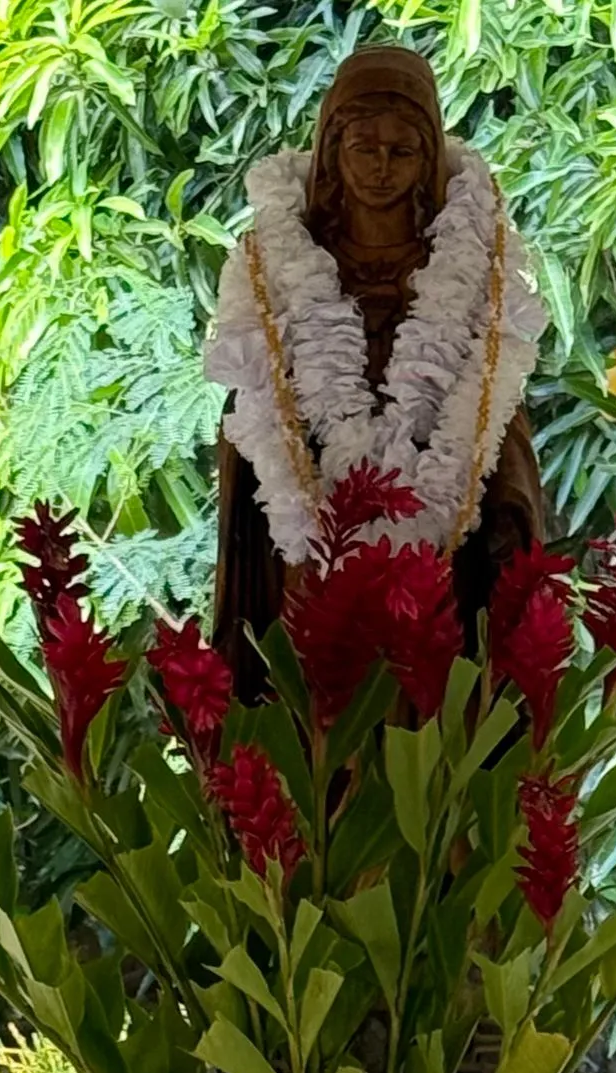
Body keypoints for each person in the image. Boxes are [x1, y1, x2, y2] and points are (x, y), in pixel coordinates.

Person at [208, 47, 547, 697]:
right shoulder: (278, 261)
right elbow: (253, 402)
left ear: (430, 162)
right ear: (332, 149)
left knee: (431, 712)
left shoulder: (472, 264)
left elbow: (495, 406)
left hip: (444, 545)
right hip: (306, 543)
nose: (381, 167)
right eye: (365, 147)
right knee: (313, 723)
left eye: (403, 150)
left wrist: (508, 507)